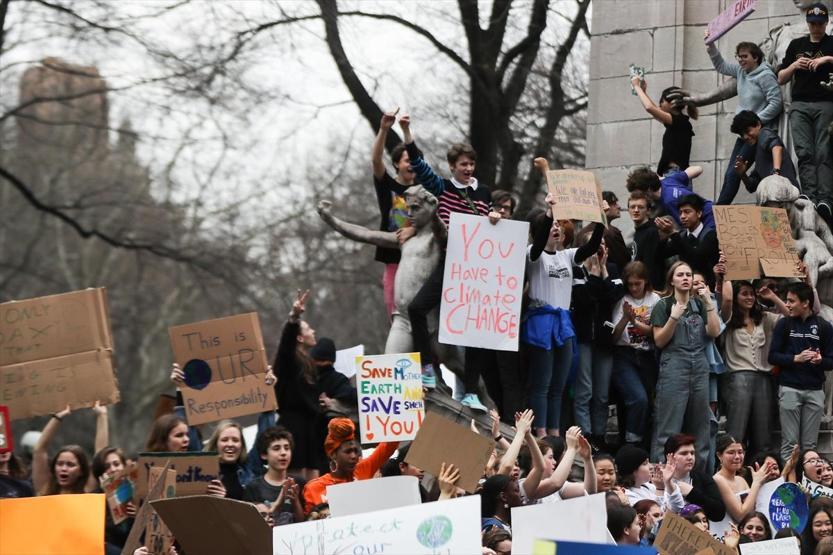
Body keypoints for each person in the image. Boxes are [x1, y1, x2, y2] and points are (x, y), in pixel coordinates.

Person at [403, 117, 501, 411]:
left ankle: (471, 390)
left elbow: (492, 232)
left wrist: (495, 219)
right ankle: (427, 370)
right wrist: (407, 132)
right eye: (463, 164)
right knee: (417, 308)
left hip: (476, 269)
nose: (468, 168)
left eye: (471, 164)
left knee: (473, 329)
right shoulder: (442, 188)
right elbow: (419, 164)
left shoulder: (483, 193)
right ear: (453, 166)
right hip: (451, 262)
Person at [524, 158, 605, 437]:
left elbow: (592, 245)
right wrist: (548, 212)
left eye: (559, 224)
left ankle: (556, 433)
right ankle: (541, 432)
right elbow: (536, 249)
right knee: (542, 383)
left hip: (563, 323)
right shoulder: (531, 255)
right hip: (541, 322)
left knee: (559, 384)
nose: (556, 228)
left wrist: (600, 219)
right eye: (551, 225)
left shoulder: (567, 255)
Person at [650, 261, 721, 465]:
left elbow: (714, 332)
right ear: (671, 280)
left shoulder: (699, 304)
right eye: (680, 275)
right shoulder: (663, 305)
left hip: (699, 366)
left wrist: (709, 303)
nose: (685, 278)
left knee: (701, 429)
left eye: (688, 275)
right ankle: (660, 481)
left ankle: (698, 483)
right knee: (668, 429)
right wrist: (674, 317)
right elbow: (659, 340)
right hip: (674, 366)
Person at [704, 35, 782, 204]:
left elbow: (776, 103)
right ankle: (719, 211)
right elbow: (722, 66)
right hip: (744, 134)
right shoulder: (741, 71)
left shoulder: (766, 75)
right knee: (731, 173)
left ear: (756, 57)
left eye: (744, 56)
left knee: (734, 173)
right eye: (738, 56)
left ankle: (719, 211)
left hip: (756, 134)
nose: (740, 60)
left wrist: (755, 122)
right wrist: (711, 46)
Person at [778, 2, 833, 225]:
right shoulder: (796, 44)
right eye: (812, 23)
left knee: (824, 153)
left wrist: (827, 59)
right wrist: (794, 66)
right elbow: (781, 77)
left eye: (820, 23)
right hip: (800, 104)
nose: (816, 27)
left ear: (826, 23)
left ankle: (826, 199)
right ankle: (810, 196)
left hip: (825, 102)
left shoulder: (831, 43)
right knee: (805, 152)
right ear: (807, 23)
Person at [720, 281, 787, 457]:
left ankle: (759, 471)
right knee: (736, 431)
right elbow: (726, 301)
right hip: (738, 378)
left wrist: (772, 296)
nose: (749, 297)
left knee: (763, 433)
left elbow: (789, 316)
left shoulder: (763, 318)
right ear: (736, 297)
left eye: (752, 294)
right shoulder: (727, 318)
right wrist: (725, 276)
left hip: (764, 378)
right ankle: (731, 473)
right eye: (744, 293)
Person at [769, 282, 833, 462]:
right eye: (786, 300)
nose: (787, 304)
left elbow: (831, 361)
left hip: (815, 390)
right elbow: (772, 357)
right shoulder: (784, 324)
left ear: (805, 303)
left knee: (810, 445)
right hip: (789, 388)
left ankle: (807, 485)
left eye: (791, 301)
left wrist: (820, 360)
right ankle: (788, 485)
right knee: (790, 443)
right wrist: (794, 358)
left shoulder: (824, 326)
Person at [371, 110, 418, 318]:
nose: (411, 165)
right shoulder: (387, 186)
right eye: (407, 160)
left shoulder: (423, 193)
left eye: (415, 161)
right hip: (393, 261)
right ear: (397, 163)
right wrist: (383, 130)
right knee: (395, 313)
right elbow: (376, 161)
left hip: (419, 261)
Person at [273, 288, 321, 480]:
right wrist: (294, 317)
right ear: (299, 337)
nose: (313, 331)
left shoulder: (309, 363)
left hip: (310, 426)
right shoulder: (289, 360)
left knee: (313, 476)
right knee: (297, 476)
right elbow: (285, 344)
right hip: (293, 426)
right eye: (309, 328)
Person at [302, 417, 398, 513]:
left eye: (356, 451)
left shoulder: (363, 469)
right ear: (333, 455)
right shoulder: (313, 488)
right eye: (348, 451)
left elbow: (389, 445)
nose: (354, 456)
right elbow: (310, 523)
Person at [611, 261, 659, 447]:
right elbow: (614, 337)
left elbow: (655, 332)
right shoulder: (621, 299)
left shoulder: (654, 300)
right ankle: (631, 443)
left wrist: (636, 322)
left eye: (637, 284)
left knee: (647, 402)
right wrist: (625, 318)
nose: (633, 288)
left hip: (647, 354)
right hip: (624, 354)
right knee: (637, 398)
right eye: (630, 284)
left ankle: (640, 441)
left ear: (645, 282)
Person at [711, 435, 777, 538]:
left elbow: (754, 510)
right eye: (731, 452)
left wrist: (761, 483)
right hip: (726, 538)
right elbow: (741, 515)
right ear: (719, 455)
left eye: (740, 452)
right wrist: (756, 483)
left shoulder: (741, 480)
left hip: (747, 537)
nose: (737, 457)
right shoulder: (718, 479)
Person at [630, 78, 697, 176]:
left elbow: (650, 108)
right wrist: (643, 92)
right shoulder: (680, 121)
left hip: (674, 173)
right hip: (677, 173)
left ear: (672, 103)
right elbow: (655, 110)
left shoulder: (677, 121)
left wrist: (636, 86)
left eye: (662, 100)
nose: (660, 103)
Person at [32, 404, 103, 495]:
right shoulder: (45, 489)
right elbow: (39, 450)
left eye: (70, 465)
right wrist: (57, 417)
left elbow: (100, 454)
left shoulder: (87, 491)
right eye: (60, 464)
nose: (64, 468)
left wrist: (102, 415)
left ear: (81, 471)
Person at [243, 426, 305, 525]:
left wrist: (295, 501)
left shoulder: (300, 483)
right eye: (276, 448)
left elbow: (304, 522)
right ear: (264, 454)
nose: (283, 453)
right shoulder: (253, 487)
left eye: (287, 448)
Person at [656, 193, 720, 287]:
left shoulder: (710, 235)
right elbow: (661, 254)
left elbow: (696, 260)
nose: (682, 216)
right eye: (680, 212)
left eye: (687, 212)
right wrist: (663, 237)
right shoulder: (682, 235)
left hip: (705, 288)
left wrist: (673, 234)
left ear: (699, 213)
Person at [625, 165, 715, 230]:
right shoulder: (669, 180)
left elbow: (686, 226)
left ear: (648, 189)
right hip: (714, 209)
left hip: (710, 220)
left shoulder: (669, 201)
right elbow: (698, 169)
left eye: (639, 193)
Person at [730, 110, 799, 191]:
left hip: (789, 195)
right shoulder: (758, 153)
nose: (745, 137)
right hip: (777, 197)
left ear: (758, 124)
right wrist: (742, 174)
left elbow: (776, 148)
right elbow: (751, 187)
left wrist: (776, 174)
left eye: (748, 131)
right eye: (742, 134)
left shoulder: (764, 133)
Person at [664, 434, 726, 522]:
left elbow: (719, 513)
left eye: (692, 453)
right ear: (669, 456)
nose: (690, 457)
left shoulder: (703, 478)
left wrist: (692, 493)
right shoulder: (658, 479)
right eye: (684, 453)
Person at [616, 444, 684, 512]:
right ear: (632, 470)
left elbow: (678, 507)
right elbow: (657, 519)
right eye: (645, 463)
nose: (651, 466)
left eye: (649, 462)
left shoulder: (648, 486)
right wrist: (660, 490)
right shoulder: (627, 495)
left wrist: (668, 482)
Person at [205, 420, 252, 500]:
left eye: (235, 440)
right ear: (216, 444)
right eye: (224, 440)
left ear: (241, 445)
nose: (230, 444)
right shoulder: (204, 473)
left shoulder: (248, 472)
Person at [628, 191, 665, 291]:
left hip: (649, 289)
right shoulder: (638, 231)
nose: (636, 210)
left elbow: (650, 265)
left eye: (640, 207)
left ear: (648, 210)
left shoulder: (651, 232)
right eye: (632, 207)